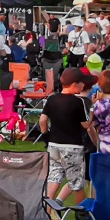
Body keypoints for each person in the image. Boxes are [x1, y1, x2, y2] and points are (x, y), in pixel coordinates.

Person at [41, 67, 95, 204]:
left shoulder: (52, 99)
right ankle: (80, 216)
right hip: (73, 146)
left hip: (53, 144)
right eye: (82, 83)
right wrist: (93, 110)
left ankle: (48, 210)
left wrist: (46, 137)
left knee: (54, 177)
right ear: (75, 84)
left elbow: (42, 121)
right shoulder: (78, 102)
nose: (83, 86)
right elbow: (85, 125)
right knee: (77, 183)